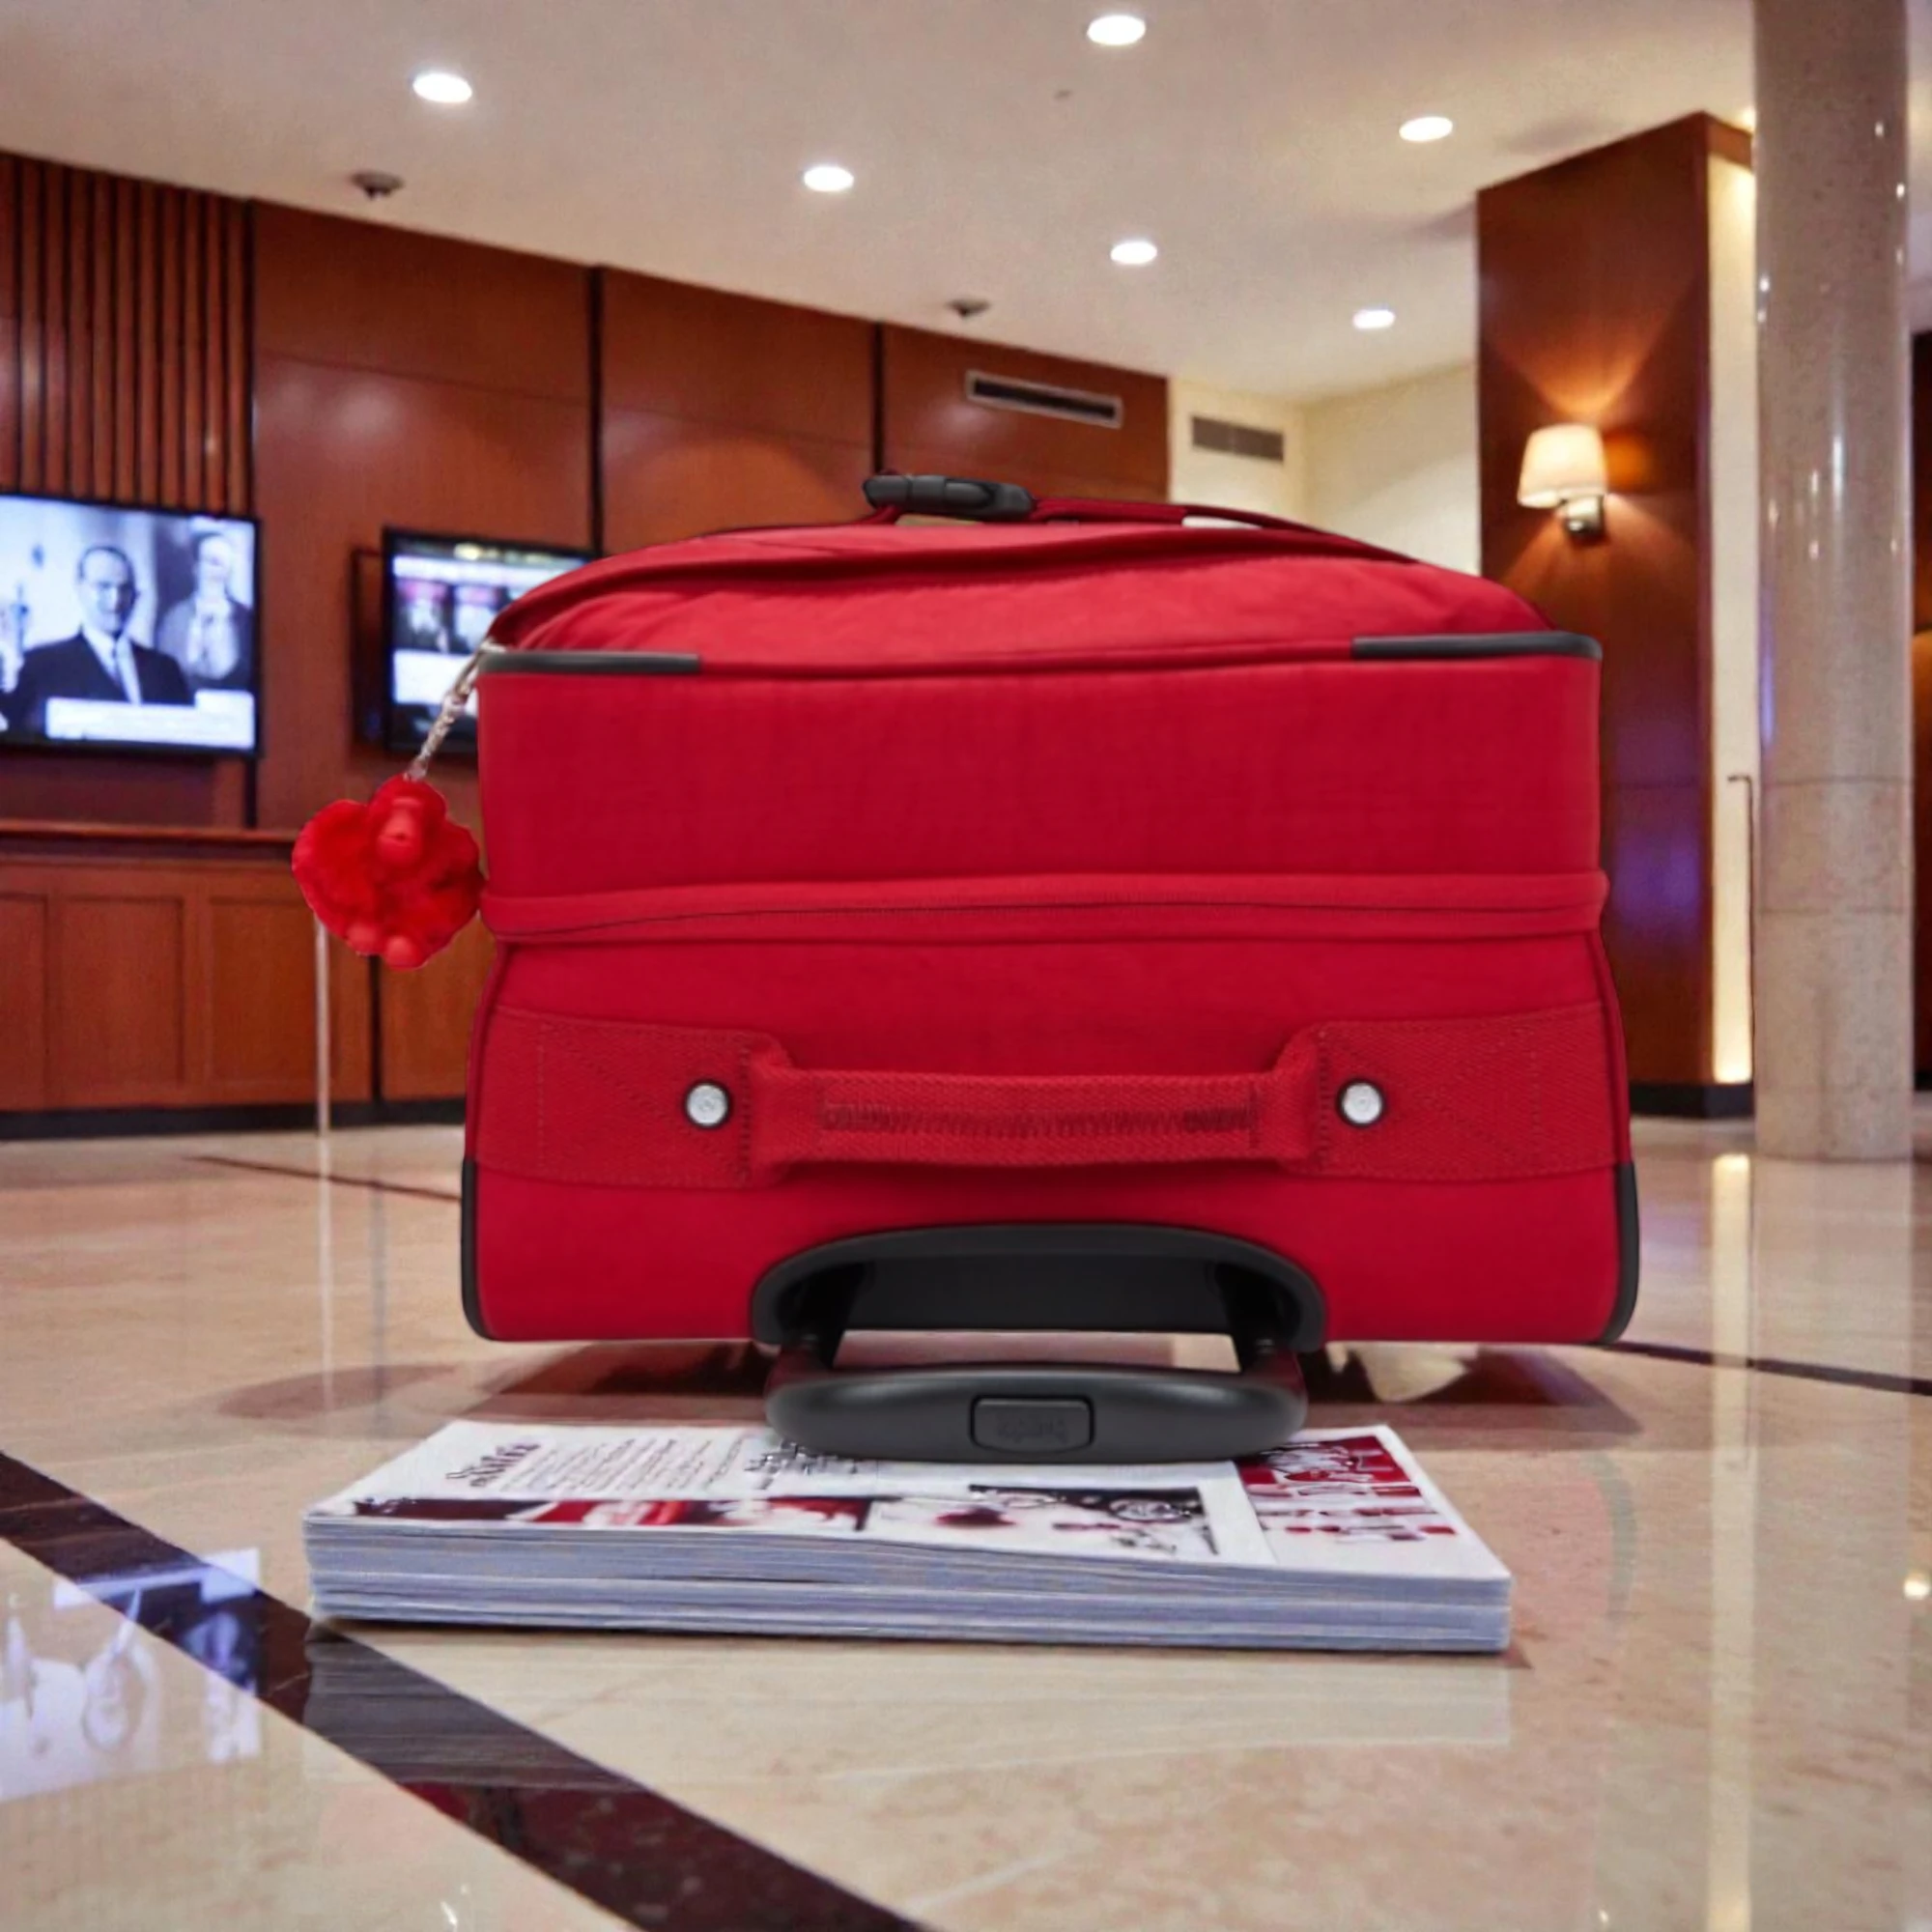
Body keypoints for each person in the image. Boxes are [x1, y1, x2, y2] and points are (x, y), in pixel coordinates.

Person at [0, 546, 189, 737]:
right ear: (80, 588)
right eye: (103, 587)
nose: (115, 600)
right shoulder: (41, 665)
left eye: (124, 589)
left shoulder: (166, 670)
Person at [156, 528, 253, 692]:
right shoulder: (173, 619)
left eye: (225, 563)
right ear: (195, 567)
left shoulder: (247, 619)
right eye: (212, 561)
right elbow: (163, 676)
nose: (219, 570)